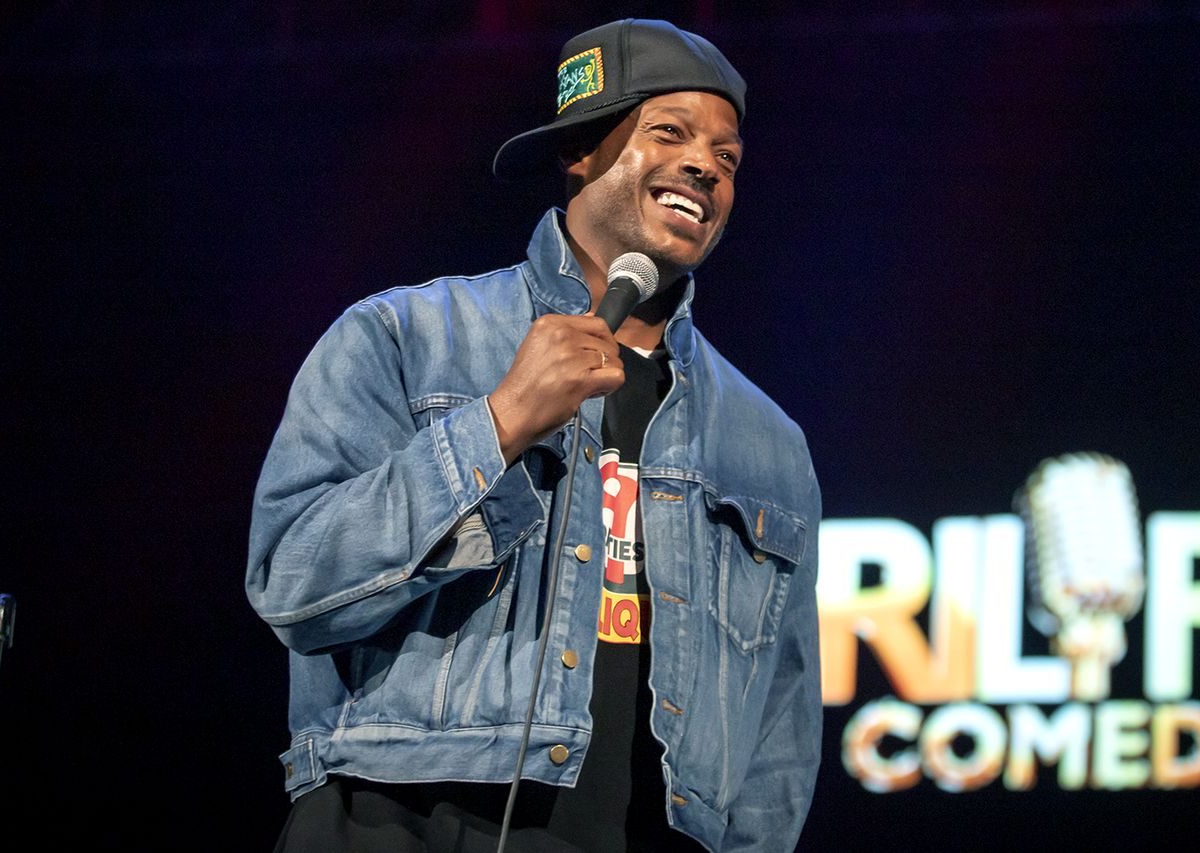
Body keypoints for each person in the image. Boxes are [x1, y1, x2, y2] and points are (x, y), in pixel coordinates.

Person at [248, 18, 822, 853]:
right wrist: (501, 421)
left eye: (727, 156)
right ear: (580, 152)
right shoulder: (407, 336)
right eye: (669, 131)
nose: (705, 164)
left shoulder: (766, 441)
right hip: (399, 820)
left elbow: (779, 737)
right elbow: (292, 582)